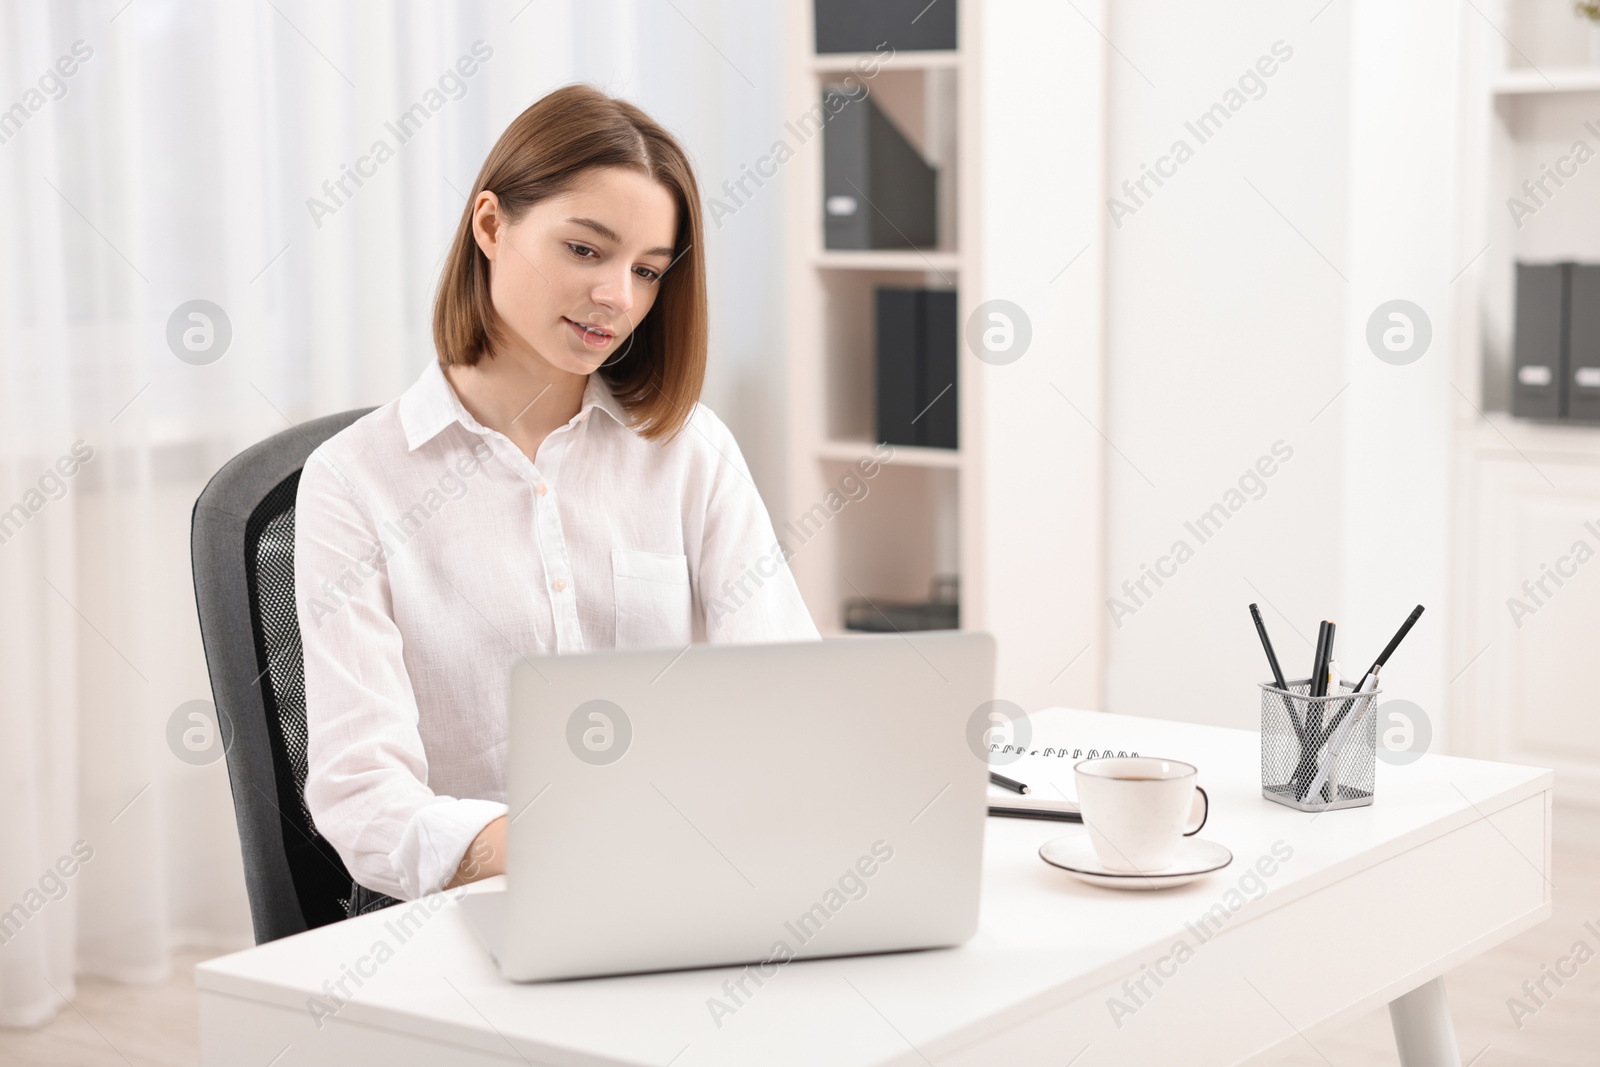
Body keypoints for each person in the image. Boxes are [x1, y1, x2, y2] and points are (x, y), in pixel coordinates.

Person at [293, 84, 819, 915]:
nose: (618, 296)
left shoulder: (690, 451)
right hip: (470, 914)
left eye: (647, 270)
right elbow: (365, 795)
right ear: (491, 224)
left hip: (687, 888)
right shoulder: (354, 480)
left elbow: (789, 696)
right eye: (585, 249)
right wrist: (577, 846)